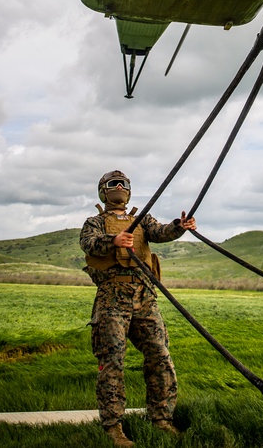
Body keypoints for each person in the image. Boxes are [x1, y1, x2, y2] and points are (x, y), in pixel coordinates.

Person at [80, 170, 196, 448]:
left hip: (145, 296)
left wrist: (180, 225)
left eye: (124, 184)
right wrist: (113, 241)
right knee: (112, 361)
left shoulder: (142, 220)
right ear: (103, 191)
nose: (119, 187)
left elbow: (162, 232)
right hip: (112, 298)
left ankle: (161, 419)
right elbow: (88, 244)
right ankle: (113, 427)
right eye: (112, 184)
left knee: (160, 354)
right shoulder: (94, 222)